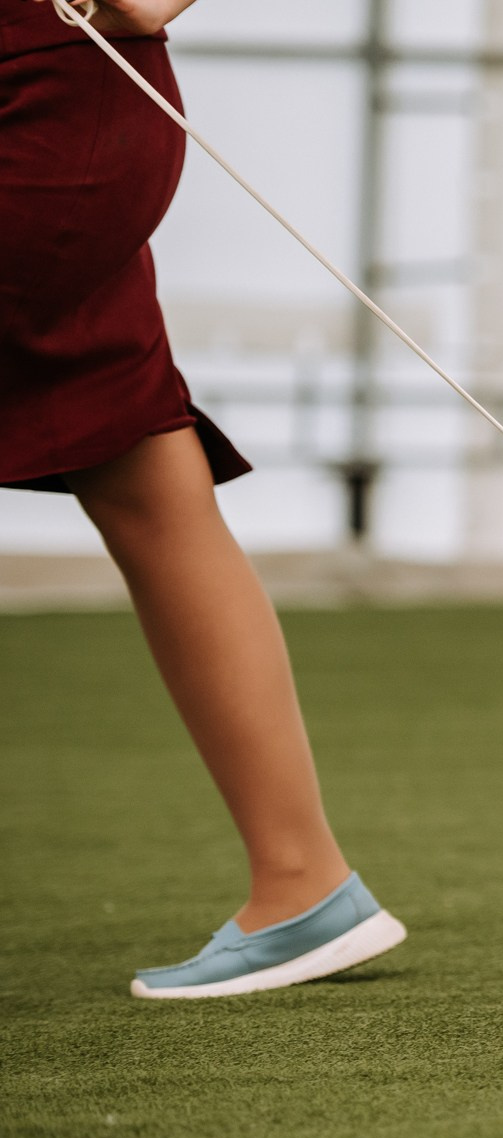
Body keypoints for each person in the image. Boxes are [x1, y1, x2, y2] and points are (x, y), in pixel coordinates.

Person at [1, 0, 405, 996]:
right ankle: (302, 883)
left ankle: (302, 879)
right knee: (141, 474)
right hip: (62, 99)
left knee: (144, 478)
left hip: (40, 94)